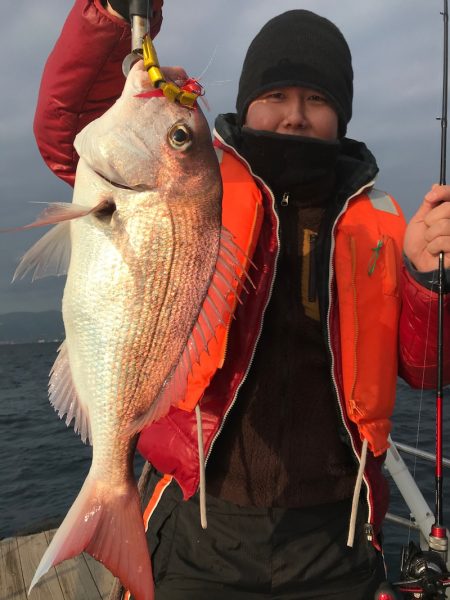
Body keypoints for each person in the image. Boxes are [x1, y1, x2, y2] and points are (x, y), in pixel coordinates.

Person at [33, 2, 450, 599]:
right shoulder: (188, 183)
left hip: (339, 535)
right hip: (202, 522)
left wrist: (427, 278)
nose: (296, 116)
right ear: (248, 99)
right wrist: (108, 18)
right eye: (277, 93)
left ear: (343, 114)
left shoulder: (380, 221)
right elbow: (67, 124)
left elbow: (430, 367)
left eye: (318, 99)